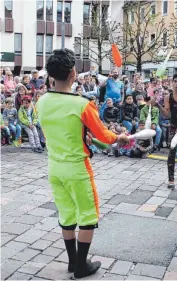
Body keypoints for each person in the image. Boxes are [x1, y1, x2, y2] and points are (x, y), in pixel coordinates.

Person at [36, 48, 129, 279]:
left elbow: (54, 131)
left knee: (67, 214)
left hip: (54, 167)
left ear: (51, 75)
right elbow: (105, 136)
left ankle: (72, 261)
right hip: (77, 168)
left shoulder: (42, 102)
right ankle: (81, 266)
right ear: (73, 73)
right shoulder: (82, 104)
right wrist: (120, 137)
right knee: (88, 216)